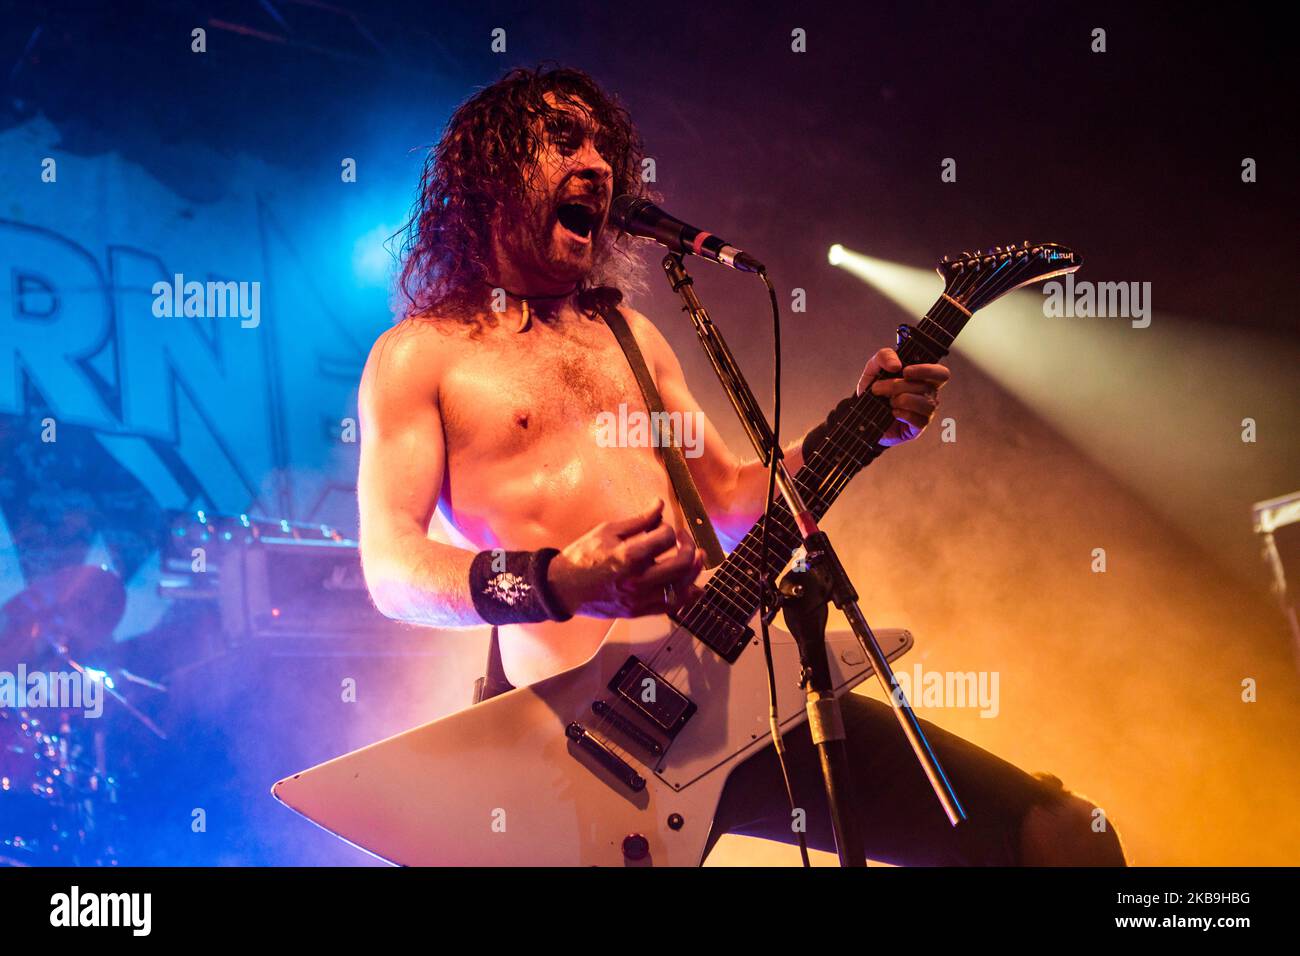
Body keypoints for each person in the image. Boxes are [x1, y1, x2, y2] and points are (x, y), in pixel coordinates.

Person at [356, 65, 1125, 866]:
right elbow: (393, 569)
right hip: (581, 747)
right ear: (489, 174)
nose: (597, 163)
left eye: (602, 144)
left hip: (728, 691)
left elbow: (728, 496)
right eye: (561, 140)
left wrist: (864, 427)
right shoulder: (421, 356)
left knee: (1060, 837)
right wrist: (558, 577)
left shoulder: (632, 337)